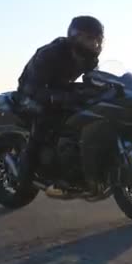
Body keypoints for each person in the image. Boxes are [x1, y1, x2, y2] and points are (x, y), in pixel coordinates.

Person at [15, 15, 105, 198]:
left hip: (60, 88)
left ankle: (78, 164)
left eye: (97, 39)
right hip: (31, 91)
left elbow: (93, 81)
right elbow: (32, 86)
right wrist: (58, 97)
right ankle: (24, 175)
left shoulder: (89, 59)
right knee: (45, 120)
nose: (94, 44)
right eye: (89, 38)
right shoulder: (50, 53)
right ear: (75, 36)